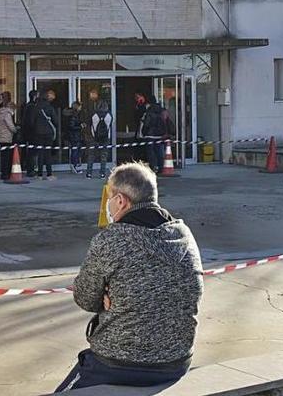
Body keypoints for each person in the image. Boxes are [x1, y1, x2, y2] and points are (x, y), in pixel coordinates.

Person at [54, 162, 203, 392]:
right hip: (177, 361)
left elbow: (84, 298)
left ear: (121, 200)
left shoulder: (111, 241)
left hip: (117, 363)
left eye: (109, 198)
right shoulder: (184, 236)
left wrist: (108, 296)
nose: (107, 205)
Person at [85, 89, 112, 179]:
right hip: (105, 137)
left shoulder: (94, 115)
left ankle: (89, 174)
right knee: (103, 156)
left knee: (91, 155)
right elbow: (109, 126)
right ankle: (102, 174)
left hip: (94, 137)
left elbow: (90, 125)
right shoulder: (109, 115)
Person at [31, 90, 58, 180]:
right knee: (48, 153)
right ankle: (49, 174)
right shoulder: (50, 107)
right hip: (48, 133)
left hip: (38, 133)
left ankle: (39, 174)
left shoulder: (36, 108)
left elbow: (32, 121)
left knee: (40, 154)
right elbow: (55, 121)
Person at [139, 96, 170, 174]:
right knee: (159, 151)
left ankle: (153, 167)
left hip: (150, 135)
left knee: (150, 152)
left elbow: (146, 124)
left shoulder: (149, 111)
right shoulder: (161, 110)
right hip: (160, 135)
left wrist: (143, 132)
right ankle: (161, 167)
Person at [0, 98, 19, 180]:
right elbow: (10, 126)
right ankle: (6, 174)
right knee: (8, 157)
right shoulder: (7, 114)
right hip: (7, 137)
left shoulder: (0, 112)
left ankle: (4, 173)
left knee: (4, 157)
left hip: (1, 136)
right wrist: (16, 130)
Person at [21, 90, 40, 175]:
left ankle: (28, 167)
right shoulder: (32, 107)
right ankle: (31, 169)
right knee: (32, 152)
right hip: (31, 133)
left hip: (27, 132)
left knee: (29, 151)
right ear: (34, 96)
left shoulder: (27, 106)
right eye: (38, 96)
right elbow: (31, 121)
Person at [67, 101, 84, 174]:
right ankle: (74, 166)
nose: (81, 108)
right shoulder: (74, 115)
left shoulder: (74, 115)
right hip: (75, 136)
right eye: (80, 106)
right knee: (75, 151)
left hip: (74, 135)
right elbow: (71, 126)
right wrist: (80, 126)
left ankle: (75, 166)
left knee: (76, 151)